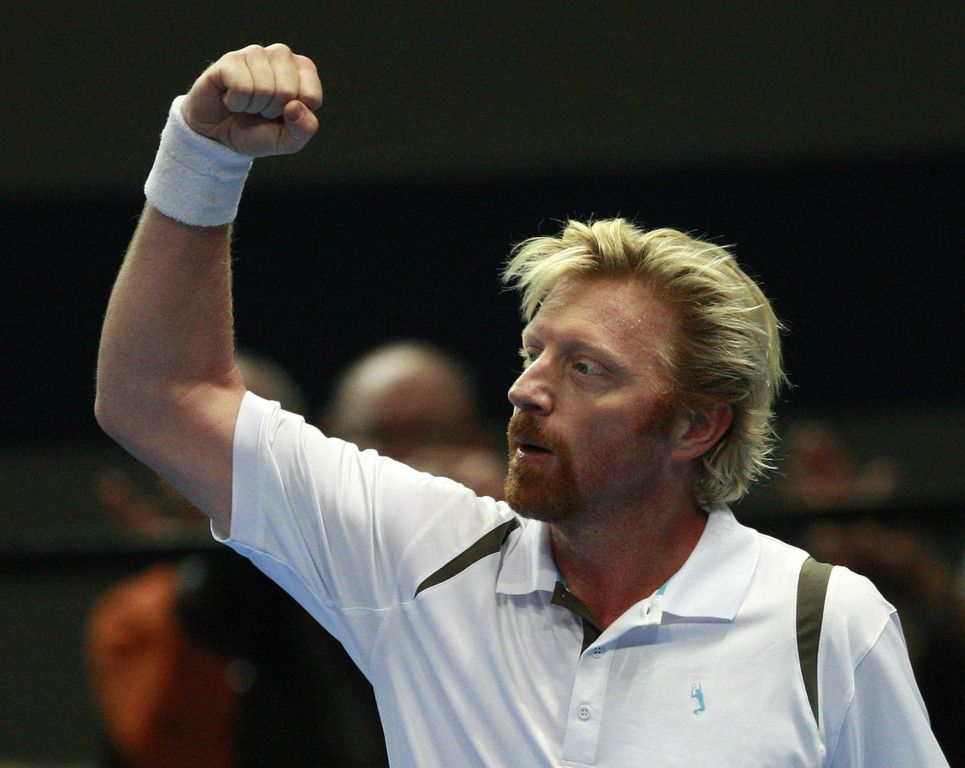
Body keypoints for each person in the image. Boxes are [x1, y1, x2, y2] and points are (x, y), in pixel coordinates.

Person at [94, 44, 948, 767]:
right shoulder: (418, 554)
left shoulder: (823, 623)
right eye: (532, 352)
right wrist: (204, 159)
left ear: (694, 425)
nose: (526, 387)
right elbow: (158, 396)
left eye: (585, 368)